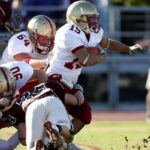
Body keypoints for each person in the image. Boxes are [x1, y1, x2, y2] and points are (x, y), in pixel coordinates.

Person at [46, 0, 144, 136]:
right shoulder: (68, 33)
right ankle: (51, 136)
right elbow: (86, 60)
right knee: (60, 112)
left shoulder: (90, 31)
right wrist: (103, 56)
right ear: (77, 19)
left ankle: (61, 138)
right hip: (55, 79)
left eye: (94, 17)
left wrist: (128, 49)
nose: (94, 21)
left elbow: (107, 43)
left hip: (70, 81)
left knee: (84, 116)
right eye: (89, 18)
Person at [0, 61, 48, 149]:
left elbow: (39, 73)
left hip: (10, 109)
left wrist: (46, 96)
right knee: (7, 146)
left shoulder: (19, 73)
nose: (3, 96)